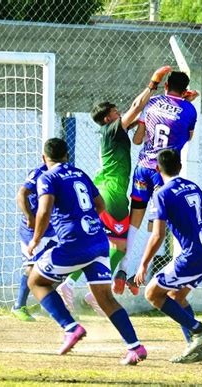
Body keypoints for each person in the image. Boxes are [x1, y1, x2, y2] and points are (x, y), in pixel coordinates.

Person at [56, 65, 172, 314]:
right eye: (115, 112)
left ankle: (78, 287)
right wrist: (153, 83)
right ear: (109, 118)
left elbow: (136, 111)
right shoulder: (111, 129)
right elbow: (137, 107)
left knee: (103, 245)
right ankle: (84, 290)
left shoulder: (111, 132)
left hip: (106, 189)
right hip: (112, 194)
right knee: (119, 246)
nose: (120, 113)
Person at [27, 138, 146, 365]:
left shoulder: (47, 177)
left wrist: (35, 239)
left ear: (45, 158)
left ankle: (70, 327)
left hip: (74, 242)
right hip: (99, 241)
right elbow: (100, 205)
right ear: (67, 156)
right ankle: (135, 347)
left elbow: (44, 211)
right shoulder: (79, 173)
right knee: (105, 298)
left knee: (37, 281)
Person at [113, 71, 199, 295]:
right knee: (157, 226)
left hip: (143, 168)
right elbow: (188, 137)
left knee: (135, 219)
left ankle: (122, 269)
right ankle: (138, 275)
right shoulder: (190, 110)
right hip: (165, 173)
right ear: (185, 89)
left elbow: (138, 139)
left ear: (167, 85)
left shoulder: (152, 102)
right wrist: (184, 106)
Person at [134, 149, 202, 364]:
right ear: (180, 167)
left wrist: (143, 265)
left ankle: (199, 330)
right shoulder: (191, 186)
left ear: (157, 169)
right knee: (176, 297)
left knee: (152, 294)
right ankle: (195, 348)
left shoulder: (162, 194)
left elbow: (158, 235)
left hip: (194, 255)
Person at [12, 163, 58, 321]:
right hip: (32, 230)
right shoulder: (39, 173)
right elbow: (21, 194)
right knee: (32, 268)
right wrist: (30, 217)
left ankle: (48, 305)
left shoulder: (64, 173)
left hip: (52, 229)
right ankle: (19, 306)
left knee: (58, 267)